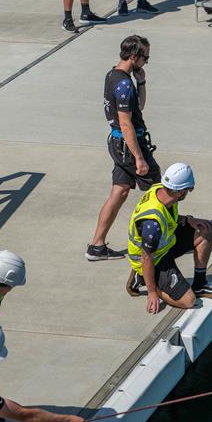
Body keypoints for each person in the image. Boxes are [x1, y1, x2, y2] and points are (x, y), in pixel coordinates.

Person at [86, 35, 160, 261]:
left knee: (119, 191)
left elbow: (139, 107)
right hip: (129, 145)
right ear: (134, 56)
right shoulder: (124, 84)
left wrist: (143, 81)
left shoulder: (113, 75)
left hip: (116, 143)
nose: (146, 62)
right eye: (145, 58)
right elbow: (127, 123)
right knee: (161, 191)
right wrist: (139, 157)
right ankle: (162, 239)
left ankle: (96, 246)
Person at [126, 163, 212, 314]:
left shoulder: (162, 190)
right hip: (154, 259)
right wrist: (152, 292)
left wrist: (188, 220)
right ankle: (143, 278)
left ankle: (200, 284)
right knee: (188, 301)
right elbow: (146, 257)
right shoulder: (152, 224)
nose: (189, 192)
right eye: (188, 189)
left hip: (164, 244)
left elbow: (168, 216)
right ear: (180, 192)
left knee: (204, 230)